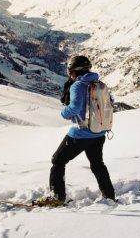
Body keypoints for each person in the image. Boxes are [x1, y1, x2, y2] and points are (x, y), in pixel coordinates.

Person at [35, 55, 116, 207]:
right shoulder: (98, 83)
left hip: (80, 134)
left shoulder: (77, 86)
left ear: (73, 71)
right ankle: (109, 195)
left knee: (57, 161)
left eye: (69, 70)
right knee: (97, 164)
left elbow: (74, 109)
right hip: (99, 133)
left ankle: (57, 197)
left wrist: (63, 112)